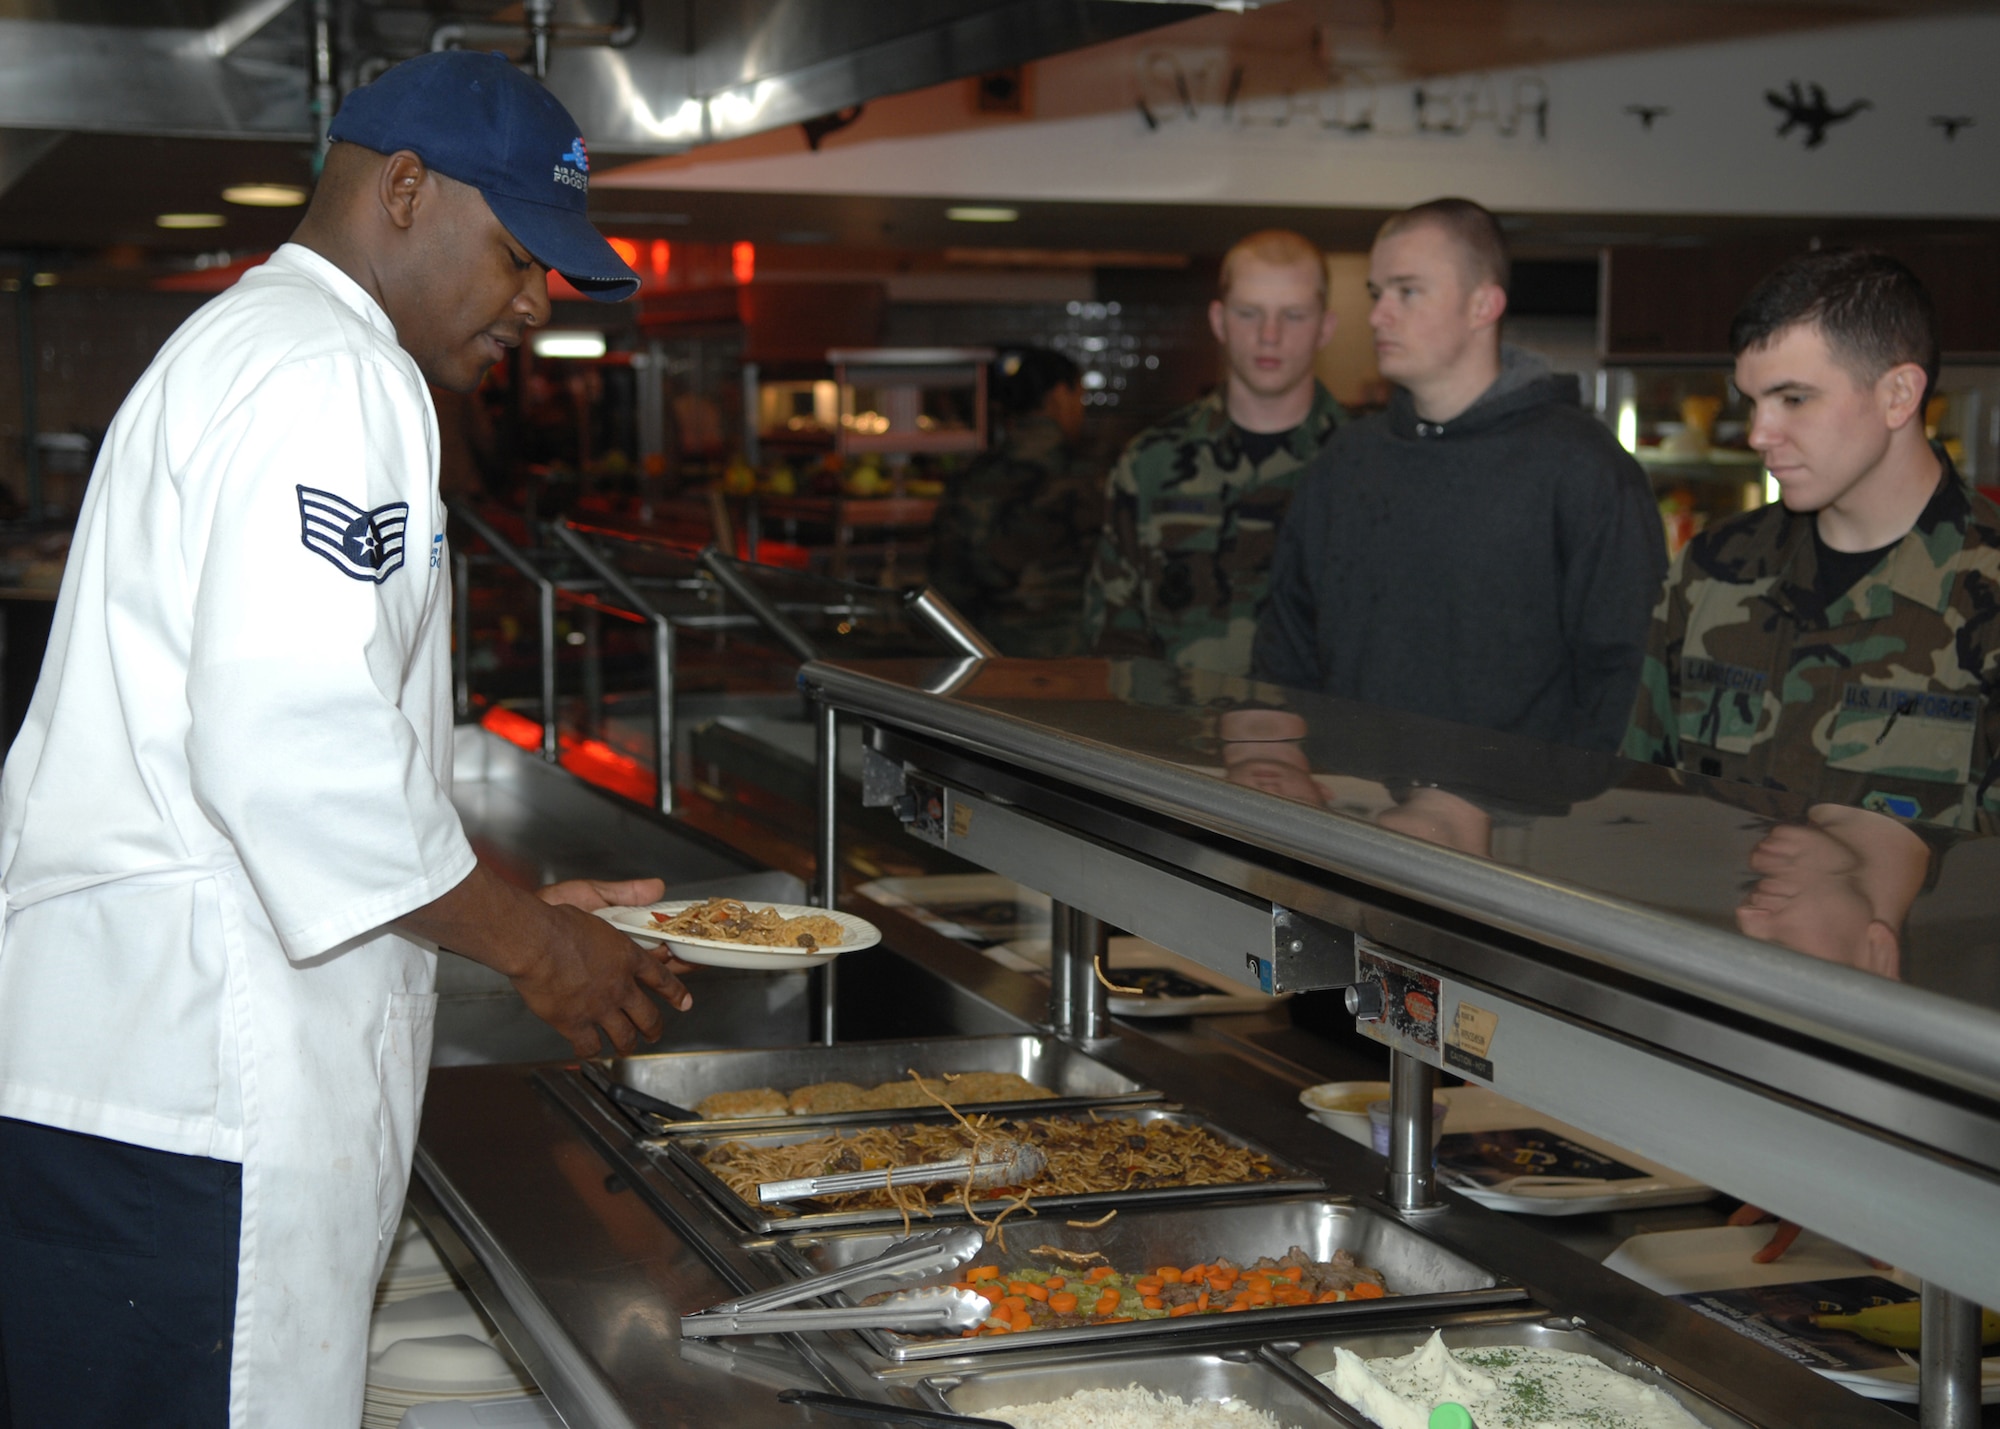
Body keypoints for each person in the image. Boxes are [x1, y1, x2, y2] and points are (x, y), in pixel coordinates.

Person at [0, 52, 689, 1428]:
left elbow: (269, 755)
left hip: (140, 1092)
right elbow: (296, 754)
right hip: (194, 1107)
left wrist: (505, 907)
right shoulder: (330, 376)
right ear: (408, 191)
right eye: (516, 254)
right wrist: (539, 948)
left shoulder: (253, 350)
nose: (533, 298)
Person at [1254, 198, 1665, 752]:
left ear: (1482, 305)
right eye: (1377, 294)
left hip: (1518, 828)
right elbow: (1285, 651)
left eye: (1408, 291)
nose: (1378, 315)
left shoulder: (1584, 467)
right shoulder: (1344, 461)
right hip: (1344, 816)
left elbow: (1628, 679)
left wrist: (1558, 818)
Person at [1623, 249, 2000, 831]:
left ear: (1899, 395)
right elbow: (1643, 804)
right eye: (1752, 402)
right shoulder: (1710, 571)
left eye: (1794, 399)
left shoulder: (1987, 590)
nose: (1758, 434)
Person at [1082, 229, 1343, 675]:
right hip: (1169, 738)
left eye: (1294, 315)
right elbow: (1113, 633)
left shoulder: (1365, 467)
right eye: (1249, 313)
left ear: (1326, 327)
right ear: (1219, 321)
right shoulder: (1149, 463)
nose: (1270, 335)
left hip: (1322, 740)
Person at [927, 347, 1098, 656]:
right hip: (1080, 661)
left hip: (989, 656)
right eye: (1080, 397)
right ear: (1060, 395)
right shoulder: (1095, 476)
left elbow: (946, 585)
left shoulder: (971, 479)